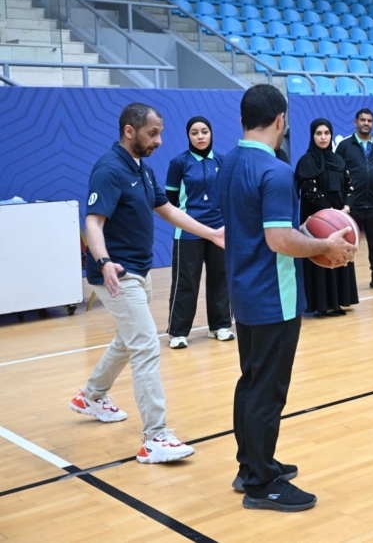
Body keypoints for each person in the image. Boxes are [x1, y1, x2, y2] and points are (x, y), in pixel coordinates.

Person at [217, 85, 357, 512]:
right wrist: (324, 247)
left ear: (243, 119)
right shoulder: (275, 170)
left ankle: (251, 465)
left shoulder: (229, 163)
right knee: (269, 390)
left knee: (252, 382)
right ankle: (262, 485)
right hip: (273, 295)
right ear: (281, 120)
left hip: (243, 291)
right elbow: (279, 239)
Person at [70, 102, 225, 464]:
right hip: (117, 275)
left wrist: (212, 234)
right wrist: (104, 261)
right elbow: (93, 221)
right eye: (152, 133)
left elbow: (168, 210)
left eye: (160, 133)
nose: (159, 140)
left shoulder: (143, 168)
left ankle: (90, 396)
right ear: (130, 131)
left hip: (138, 270)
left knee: (127, 341)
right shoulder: (109, 170)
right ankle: (155, 437)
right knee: (145, 347)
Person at [164, 116, 234, 348]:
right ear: (188, 136)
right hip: (188, 233)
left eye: (204, 131)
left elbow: (228, 197)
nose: (200, 136)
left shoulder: (223, 162)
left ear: (211, 133)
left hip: (220, 231)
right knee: (186, 282)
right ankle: (178, 332)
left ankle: (220, 326)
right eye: (195, 133)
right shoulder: (179, 163)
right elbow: (171, 201)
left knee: (220, 280)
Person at [295, 118, 359, 317]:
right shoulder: (307, 161)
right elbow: (310, 191)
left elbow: (349, 185)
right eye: (318, 133)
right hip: (318, 222)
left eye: (326, 133)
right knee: (320, 258)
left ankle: (339, 301)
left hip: (339, 219)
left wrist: (346, 208)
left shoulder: (338, 160)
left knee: (339, 255)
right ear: (312, 136)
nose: (323, 137)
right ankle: (323, 305)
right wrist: (330, 214)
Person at [335, 108, 373, 290]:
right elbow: (339, 173)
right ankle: (345, 282)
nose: (366, 123)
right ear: (355, 122)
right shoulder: (345, 146)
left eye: (369, 121)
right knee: (348, 244)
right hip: (353, 205)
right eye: (362, 120)